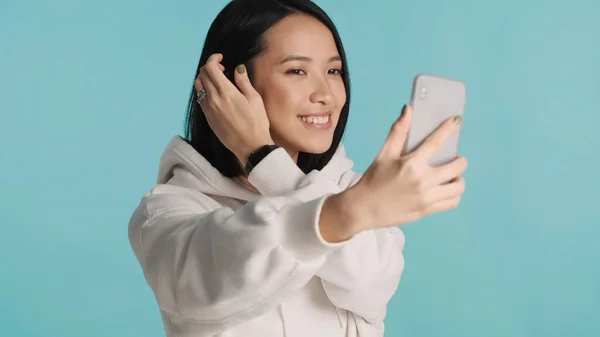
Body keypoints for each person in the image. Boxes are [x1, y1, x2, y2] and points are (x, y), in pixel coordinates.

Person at [127, 0, 468, 336]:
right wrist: (260, 155)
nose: (327, 95)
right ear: (228, 85)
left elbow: (372, 282)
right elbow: (217, 277)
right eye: (297, 70)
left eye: (333, 71)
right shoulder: (167, 213)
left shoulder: (353, 188)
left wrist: (272, 167)